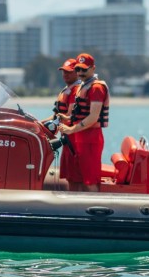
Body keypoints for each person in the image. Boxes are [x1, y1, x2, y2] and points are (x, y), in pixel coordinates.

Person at [58, 53, 109, 192]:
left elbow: (93, 117)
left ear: (93, 68)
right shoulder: (84, 86)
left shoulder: (96, 88)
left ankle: (95, 204)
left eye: (84, 69)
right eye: (78, 69)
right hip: (81, 138)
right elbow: (79, 114)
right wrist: (67, 119)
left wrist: (71, 129)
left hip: (91, 138)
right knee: (79, 178)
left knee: (90, 180)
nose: (80, 72)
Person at [40, 58, 82, 189]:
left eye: (69, 72)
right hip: (66, 139)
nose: (65, 74)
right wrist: (37, 123)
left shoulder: (76, 90)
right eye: (64, 71)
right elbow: (56, 116)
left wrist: (53, 123)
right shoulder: (66, 90)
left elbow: (68, 117)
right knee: (69, 176)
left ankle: (77, 198)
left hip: (74, 141)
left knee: (75, 176)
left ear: (77, 73)